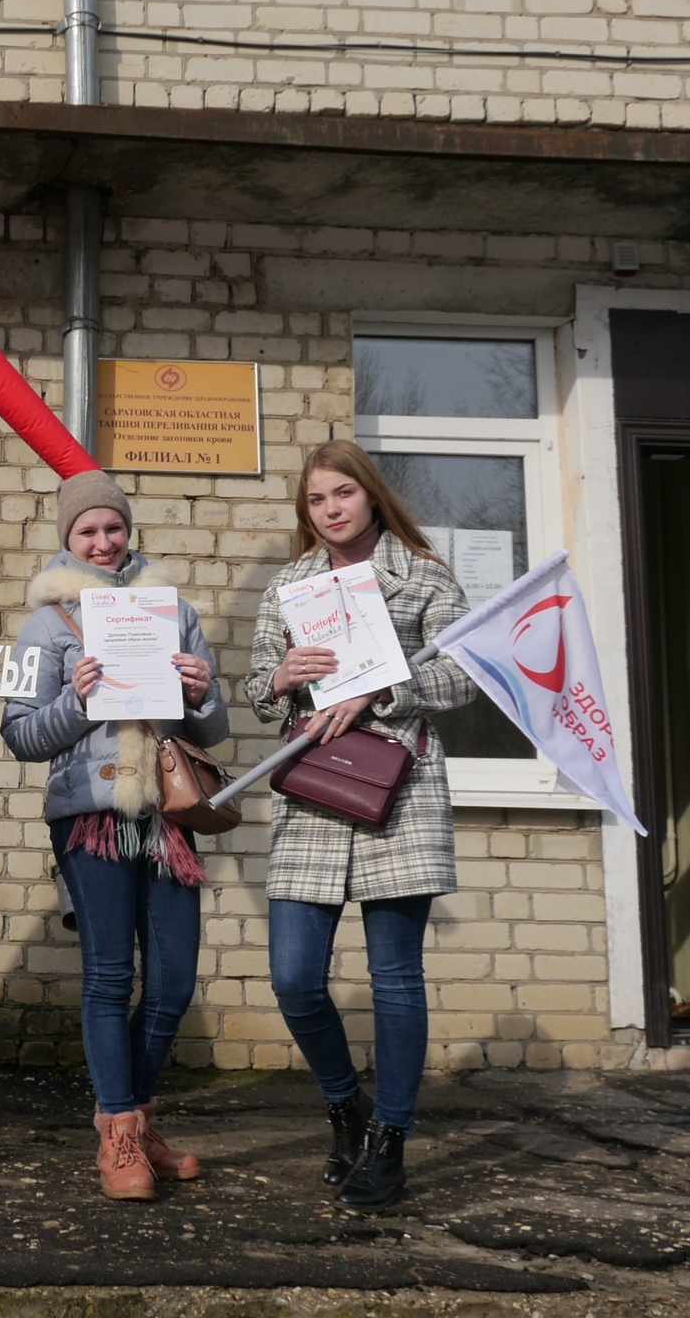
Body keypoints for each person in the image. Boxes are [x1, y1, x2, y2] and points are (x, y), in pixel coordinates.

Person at [243, 439, 476, 1208]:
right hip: (313, 789)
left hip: (400, 789)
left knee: (395, 980)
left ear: (372, 494)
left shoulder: (425, 576)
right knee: (293, 977)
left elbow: (464, 671)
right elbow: (254, 687)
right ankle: (346, 1106)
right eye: (316, 500)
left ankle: (390, 1140)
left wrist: (382, 692)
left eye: (343, 493)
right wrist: (280, 680)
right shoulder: (291, 586)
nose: (331, 509)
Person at [1, 472, 229, 1201]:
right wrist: (78, 701)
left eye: (113, 528)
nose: (103, 541)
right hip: (90, 816)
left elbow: (214, 730)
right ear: (67, 539)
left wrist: (201, 693)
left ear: (129, 531)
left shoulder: (172, 612)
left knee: (172, 981)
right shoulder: (47, 624)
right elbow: (19, 735)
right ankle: (121, 1134)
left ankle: (131, 1114)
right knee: (108, 977)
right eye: (87, 531)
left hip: (165, 816)